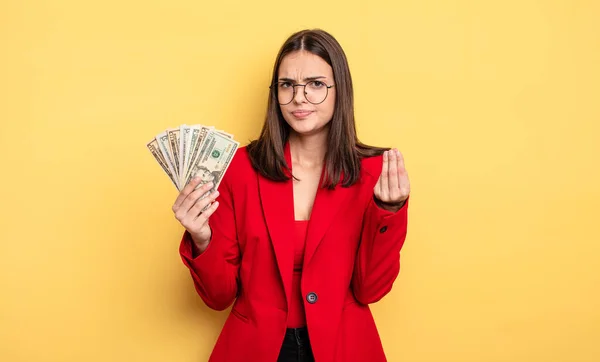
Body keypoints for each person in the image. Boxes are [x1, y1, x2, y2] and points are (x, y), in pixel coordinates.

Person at [172, 28, 410, 362]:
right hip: (255, 350)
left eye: (315, 84)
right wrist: (201, 238)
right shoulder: (237, 169)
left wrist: (389, 210)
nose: (299, 98)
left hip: (344, 348)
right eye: (287, 85)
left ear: (340, 90)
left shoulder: (375, 172)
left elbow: (371, 288)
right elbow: (218, 297)